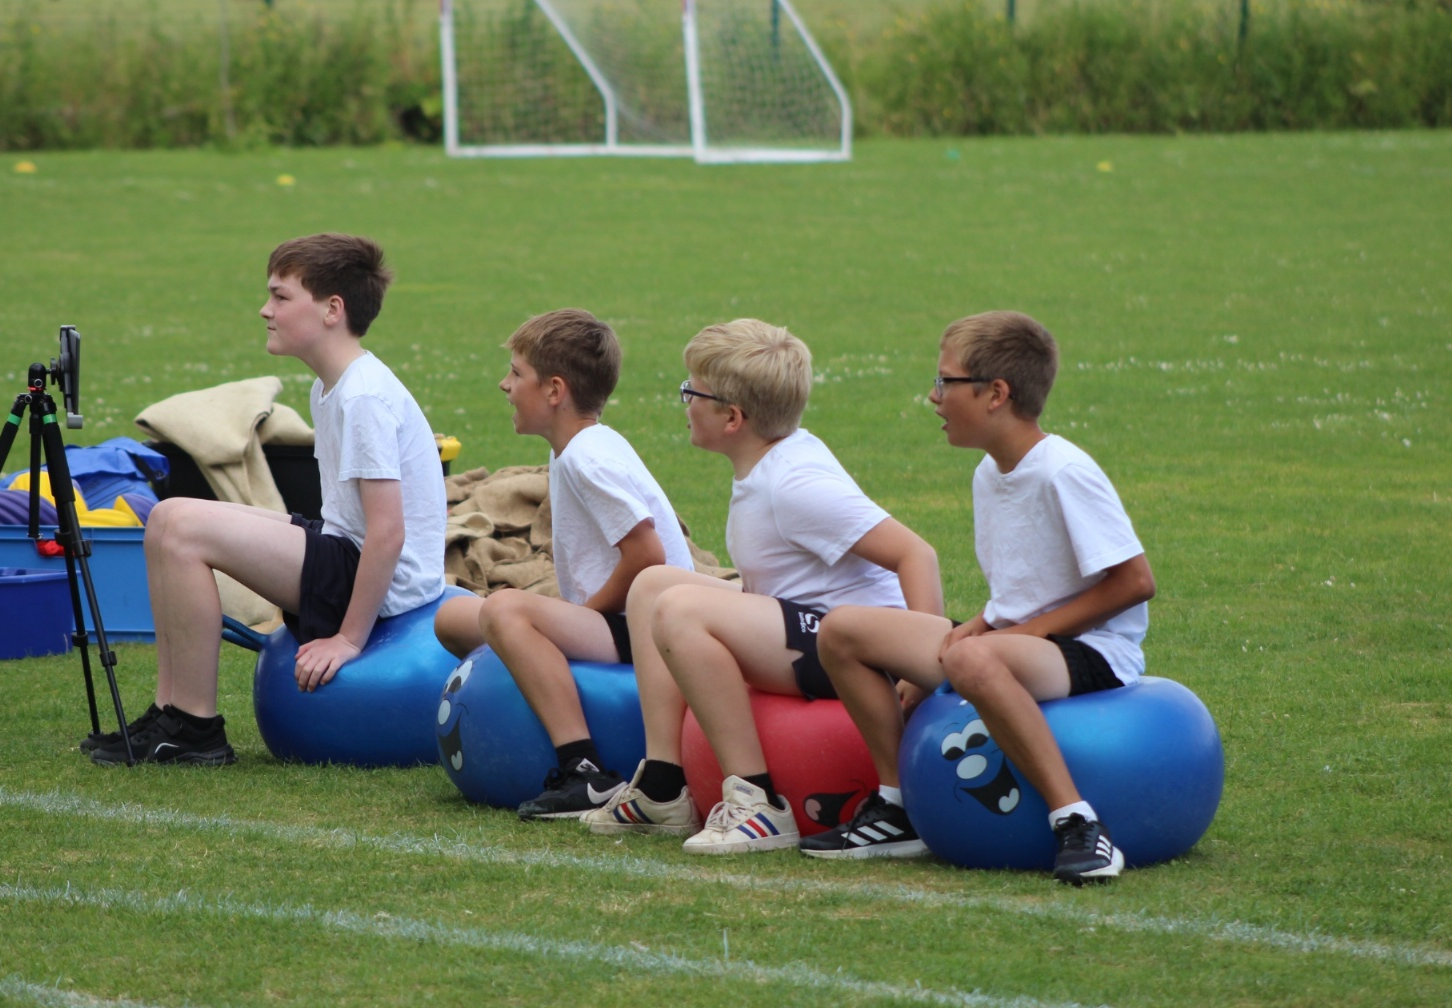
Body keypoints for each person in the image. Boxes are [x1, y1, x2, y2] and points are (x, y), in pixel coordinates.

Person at [581, 319, 944, 855]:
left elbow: (915, 553)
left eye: (692, 392)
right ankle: (663, 786)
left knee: (681, 609)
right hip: (804, 625)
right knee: (653, 585)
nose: (685, 403)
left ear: (733, 417)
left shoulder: (795, 483)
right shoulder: (768, 462)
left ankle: (758, 803)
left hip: (854, 652)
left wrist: (917, 668)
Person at [816, 311, 1155, 884]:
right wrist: (982, 622)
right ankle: (897, 807)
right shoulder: (988, 473)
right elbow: (1026, 587)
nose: (933, 396)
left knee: (971, 659)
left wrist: (1015, 636)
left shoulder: (1062, 471)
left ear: (996, 393)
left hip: (1092, 650)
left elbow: (1134, 582)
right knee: (843, 629)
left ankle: (1078, 823)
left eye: (945, 381)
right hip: (1013, 643)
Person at [87, 233, 447, 765]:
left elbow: (388, 533)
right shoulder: (331, 387)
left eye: (280, 296)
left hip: (382, 581)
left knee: (183, 530)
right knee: (166, 517)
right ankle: (169, 712)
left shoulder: (364, 397)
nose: (265, 309)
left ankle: (195, 729)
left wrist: (349, 640)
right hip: (344, 549)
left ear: (332, 310)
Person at [434, 309, 693, 819]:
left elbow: (648, 555)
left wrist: (584, 614)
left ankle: (584, 769)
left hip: (644, 630)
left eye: (516, 373)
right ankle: (529, 685)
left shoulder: (585, 457)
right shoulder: (577, 447)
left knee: (506, 610)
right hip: (620, 620)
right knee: (453, 616)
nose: (504, 384)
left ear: (554, 390)